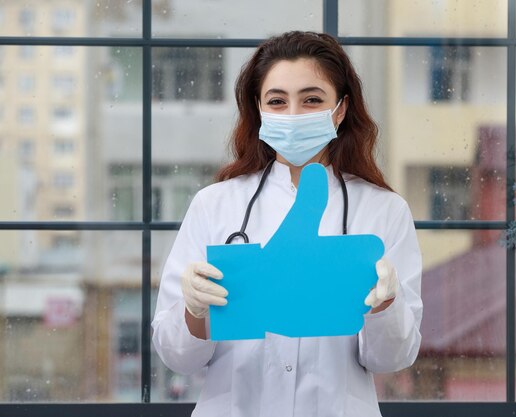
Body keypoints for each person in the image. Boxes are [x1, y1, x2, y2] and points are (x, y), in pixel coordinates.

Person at [152, 31, 423, 417]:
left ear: (341, 109)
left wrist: (386, 307)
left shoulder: (384, 211)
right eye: (277, 101)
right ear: (259, 111)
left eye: (312, 99)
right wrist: (193, 313)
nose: (293, 115)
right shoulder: (215, 205)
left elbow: (391, 359)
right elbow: (177, 357)